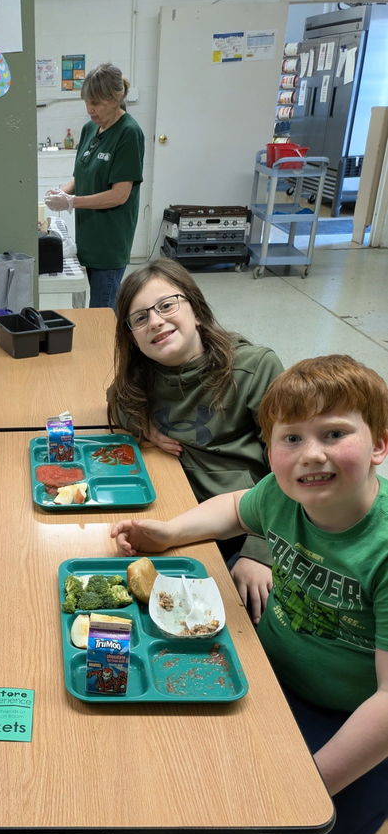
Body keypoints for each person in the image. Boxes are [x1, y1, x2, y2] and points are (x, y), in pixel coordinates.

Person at [111, 354, 388, 834]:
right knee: (197, 774)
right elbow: (237, 507)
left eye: (333, 434)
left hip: (356, 729)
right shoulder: (287, 498)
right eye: (290, 438)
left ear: (379, 444)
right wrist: (167, 533)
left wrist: (305, 785)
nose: (310, 455)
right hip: (271, 685)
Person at [108, 258, 284, 624]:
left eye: (166, 305)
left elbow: (290, 472)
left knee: (240, 624)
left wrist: (262, 548)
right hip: (180, 514)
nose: (155, 321)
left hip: (247, 525)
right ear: (133, 338)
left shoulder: (254, 368)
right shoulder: (144, 375)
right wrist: (145, 427)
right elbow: (116, 399)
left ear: (197, 310)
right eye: (139, 318)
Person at [44, 63, 144, 310]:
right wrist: (62, 191)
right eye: (87, 102)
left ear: (116, 98)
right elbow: (82, 177)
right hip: (89, 235)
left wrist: (71, 202)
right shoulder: (91, 129)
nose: (90, 109)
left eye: (97, 103)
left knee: (101, 312)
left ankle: (107, 349)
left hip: (110, 242)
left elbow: (120, 195)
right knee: (96, 307)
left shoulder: (129, 133)